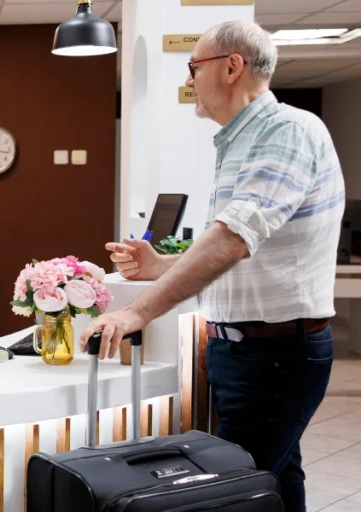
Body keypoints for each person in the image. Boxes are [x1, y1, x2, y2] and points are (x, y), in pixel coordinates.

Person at [78, 21, 343, 512]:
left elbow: (232, 241)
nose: (187, 80)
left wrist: (137, 311)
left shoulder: (286, 131)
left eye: (193, 67)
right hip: (245, 351)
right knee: (277, 481)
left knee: (233, 496)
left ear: (232, 67)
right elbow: (238, 247)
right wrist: (160, 264)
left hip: (276, 353)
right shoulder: (239, 141)